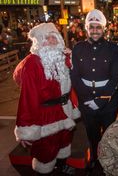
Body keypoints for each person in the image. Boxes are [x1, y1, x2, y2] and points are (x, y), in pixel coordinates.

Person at [13, 23, 80, 175]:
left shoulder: (61, 57)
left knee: (64, 144)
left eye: (54, 37)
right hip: (45, 116)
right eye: (46, 38)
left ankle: (61, 166)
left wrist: (71, 58)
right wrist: (25, 127)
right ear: (38, 42)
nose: (51, 41)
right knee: (46, 152)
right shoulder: (32, 64)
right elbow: (27, 98)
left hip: (65, 111)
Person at [70, 9, 118, 172]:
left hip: (108, 102)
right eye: (91, 27)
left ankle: (108, 159)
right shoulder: (78, 48)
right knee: (92, 134)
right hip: (86, 101)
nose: (94, 30)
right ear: (86, 28)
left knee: (108, 134)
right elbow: (75, 76)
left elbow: (115, 78)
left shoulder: (113, 49)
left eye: (98, 27)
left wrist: (100, 100)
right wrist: (86, 99)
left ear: (104, 29)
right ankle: (94, 157)